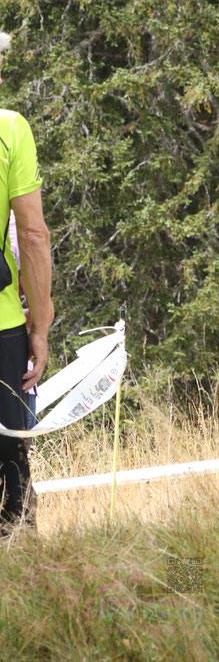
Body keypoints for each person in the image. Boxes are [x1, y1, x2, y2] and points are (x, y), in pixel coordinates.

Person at [0, 31, 53, 532]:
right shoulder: (9, 128)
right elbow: (33, 235)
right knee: (11, 458)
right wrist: (41, 322)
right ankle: (21, 572)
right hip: (4, 324)